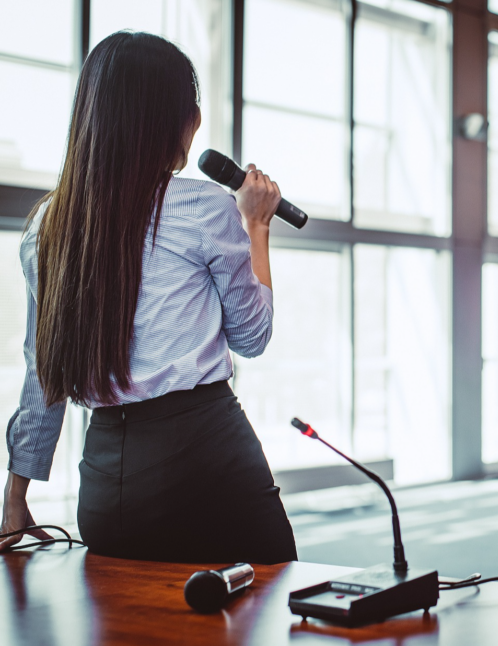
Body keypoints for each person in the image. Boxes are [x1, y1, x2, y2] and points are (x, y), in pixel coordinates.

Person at [1, 32, 295, 564]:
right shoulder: (204, 208)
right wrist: (255, 224)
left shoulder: (48, 227)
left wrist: (16, 493)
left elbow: (42, 373)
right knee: (268, 610)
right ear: (175, 122)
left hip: (108, 483)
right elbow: (252, 337)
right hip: (209, 464)